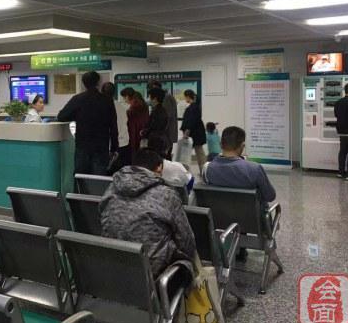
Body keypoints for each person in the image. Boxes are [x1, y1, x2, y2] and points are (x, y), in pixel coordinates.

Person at [100, 148, 196, 278]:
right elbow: (187, 243)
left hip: (115, 270)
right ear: (159, 168)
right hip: (155, 276)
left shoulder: (111, 189)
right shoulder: (166, 195)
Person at [204, 126, 276, 261]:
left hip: (221, 219)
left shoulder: (208, 169)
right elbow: (270, 195)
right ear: (242, 146)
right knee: (244, 208)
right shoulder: (254, 169)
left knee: (233, 206)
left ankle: (237, 249)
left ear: (221, 144)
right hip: (253, 222)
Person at [58, 71, 118, 176]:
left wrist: (77, 116)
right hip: (101, 146)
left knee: (81, 178)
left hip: (83, 146)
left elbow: (62, 116)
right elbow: (113, 125)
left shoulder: (78, 99)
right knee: (99, 179)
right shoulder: (107, 100)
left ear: (83, 83)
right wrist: (114, 147)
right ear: (98, 83)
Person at [101, 81, 130, 172]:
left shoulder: (101, 107)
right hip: (124, 144)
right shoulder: (123, 106)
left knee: (107, 174)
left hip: (109, 146)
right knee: (121, 173)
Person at [149, 81, 178, 159]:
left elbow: (166, 117)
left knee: (164, 156)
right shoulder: (165, 97)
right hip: (165, 134)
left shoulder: (166, 98)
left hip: (166, 134)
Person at [181, 89, 206, 175]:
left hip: (193, 134)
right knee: (199, 152)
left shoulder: (192, 108)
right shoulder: (195, 107)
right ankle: (203, 171)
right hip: (197, 133)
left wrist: (186, 132)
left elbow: (191, 121)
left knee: (187, 154)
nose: (185, 99)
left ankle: (185, 172)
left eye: (185, 97)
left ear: (188, 97)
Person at [120, 88, 149, 158]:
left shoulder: (133, 109)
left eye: (124, 98)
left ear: (127, 96)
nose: (124, 100)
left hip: (135, 136)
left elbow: (131, 126)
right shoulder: (143, 105)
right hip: (143, 134)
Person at [145, 87, 170, 159]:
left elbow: (154, 126)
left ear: (155, 98)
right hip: (160, 139)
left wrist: (145, 132)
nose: (148, 99)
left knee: (155, 160)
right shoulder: (161, 109)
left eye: (149, 97)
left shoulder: (157, 111)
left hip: (156, 141)